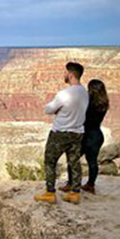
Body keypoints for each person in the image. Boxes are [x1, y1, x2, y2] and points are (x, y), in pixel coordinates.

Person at [34, 62, 89, 204]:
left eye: (65, 72)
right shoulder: (84, 92)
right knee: (74, 162)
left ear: (71, 74)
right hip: (77, 133)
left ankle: (50, 192)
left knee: (50, 161)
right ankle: (75, 193)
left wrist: (58, 110)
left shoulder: (64, 94)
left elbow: (48, 110)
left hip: (60, 133)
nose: (63, 75)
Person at [59, 79, 109, 194]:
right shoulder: (104, 103)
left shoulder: (87, 103)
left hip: (85, 136)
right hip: (97, 135)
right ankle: (90, 185)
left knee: (73, 159)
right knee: (92, 161)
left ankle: (71, 183)